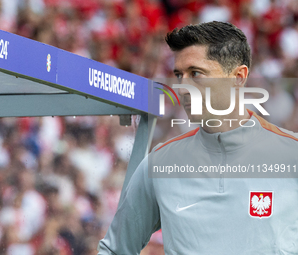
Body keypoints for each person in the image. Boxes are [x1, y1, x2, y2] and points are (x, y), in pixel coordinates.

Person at [97, 21, 298, 254]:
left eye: (195, 73)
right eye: (178, 75)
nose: (182, 87)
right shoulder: (160, 164)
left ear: (238, 77)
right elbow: (114, 250)